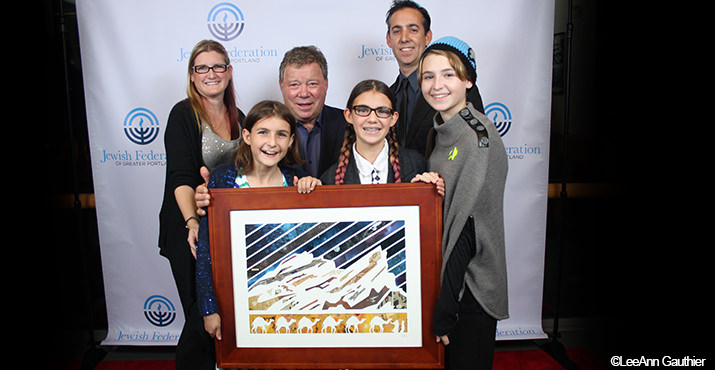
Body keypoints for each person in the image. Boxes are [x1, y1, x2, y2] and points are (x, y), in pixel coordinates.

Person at [418, 36, 509, 370]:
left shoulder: (477, 138)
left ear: (468, 80)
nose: (437, 85)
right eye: (428, 76)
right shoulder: (441, 130)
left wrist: (446, 305)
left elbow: (470, 227)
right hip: (446, 280)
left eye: (448, 75)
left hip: (469, 287)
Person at [195, 100, 319, 345]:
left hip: (289, 302)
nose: (272, 143)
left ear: (291, 141)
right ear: (247, 136)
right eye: (263, 132)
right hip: (235, 300)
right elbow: (206, 251)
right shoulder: (224, 180)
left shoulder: (296, 182)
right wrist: (208, 307)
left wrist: (316, 195)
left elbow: (311, 249)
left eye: (281, 134)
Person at [157, 39, 245, 370]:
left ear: (229, 71)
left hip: (224, 233)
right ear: (192, 76)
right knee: (200, 318)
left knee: (223, 316)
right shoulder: (183, 114)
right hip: (189, 232)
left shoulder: (240, 117)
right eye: (202, 68)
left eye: (218, 66)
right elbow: (180, 177)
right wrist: (192, 223)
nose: (211, 74)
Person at [385, 0, 484, 156]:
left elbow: (475, 145)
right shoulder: (387, 96)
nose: (404, 38)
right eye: (397, 31)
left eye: (413, 30)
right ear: (389, 39)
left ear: (427, 37)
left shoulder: (456, 88)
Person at [320, 79, 442, 194]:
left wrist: (434, 191)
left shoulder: (417, 165)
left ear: (393, 118)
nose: (372, 119)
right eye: (363, 110)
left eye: (382, 111)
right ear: (348, 116)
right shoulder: (330, 178)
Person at [279, 45, 347, 178]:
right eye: (294, 85)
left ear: (325, 85)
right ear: (282, 87)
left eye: (312, 84)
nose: (304, 93)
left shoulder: (348, 124)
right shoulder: (267, 130)